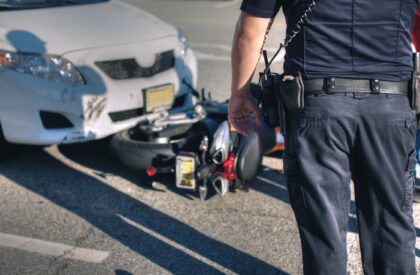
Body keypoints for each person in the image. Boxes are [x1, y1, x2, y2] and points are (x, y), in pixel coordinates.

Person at [229, 0, 418, 274]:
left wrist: (240, 93)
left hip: (317, 107)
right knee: (392, 225)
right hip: (390, 106)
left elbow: (251, 32)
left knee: (322, 229)